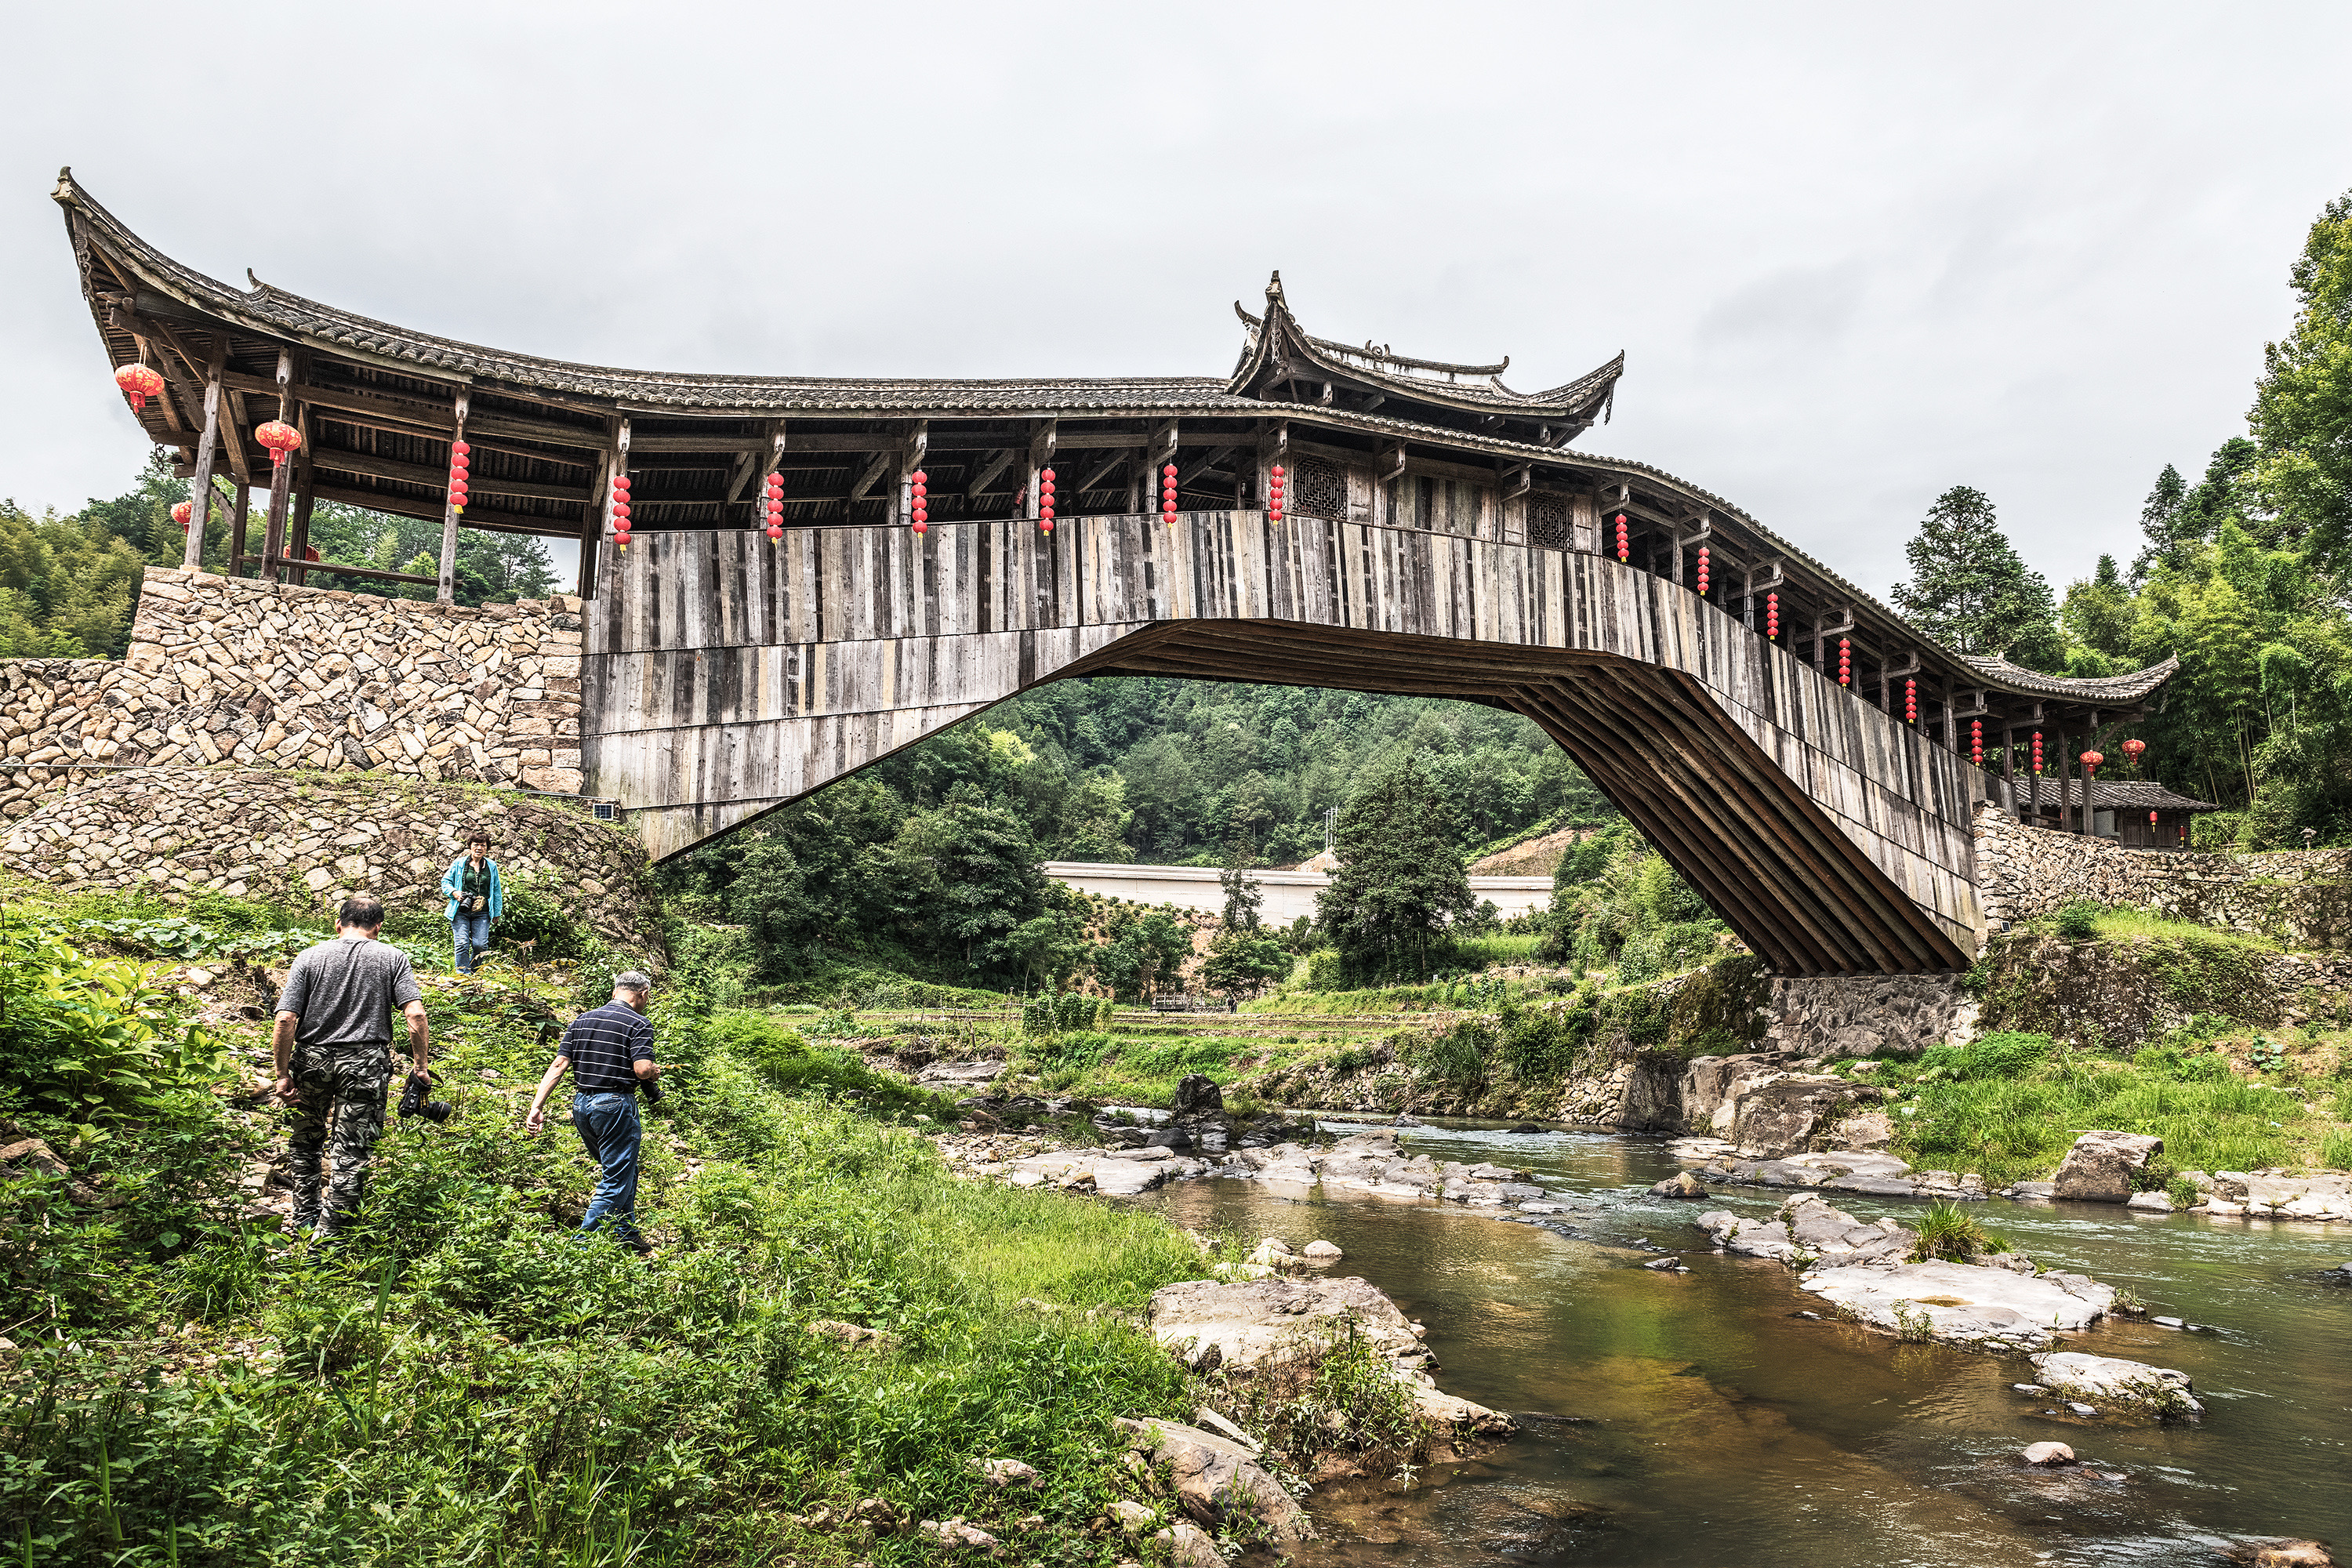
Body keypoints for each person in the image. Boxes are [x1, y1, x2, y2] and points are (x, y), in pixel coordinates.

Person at [272, 894, 430, 1241]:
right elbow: (415, 1014)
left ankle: (304, 1219)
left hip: (311, 1059)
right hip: (365, 1063)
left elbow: (286, 1019)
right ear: (377, 927)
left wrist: (283, 1074)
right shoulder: (392, 957)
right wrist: (420, 1065)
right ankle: (328, 1239)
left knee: (305, 1142)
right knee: (352, 1149)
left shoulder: (310, 956)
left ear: (338, 924)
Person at [524, 971, 660, 1254]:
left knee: (624, 1170)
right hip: (614, 1105)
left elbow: (559, 1065)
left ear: (614, 992)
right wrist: (653, 1072)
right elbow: (642, 1069)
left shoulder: (581, 1020)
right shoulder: (639, 1024)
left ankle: (624, 1232)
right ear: (643, 994)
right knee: (616, 1176)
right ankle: (579, 1248)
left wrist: (537, 1106)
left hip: (582, 1105)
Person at [439, 830, 504, 974]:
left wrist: (497, 912)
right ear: (470, 846)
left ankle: (475, 973)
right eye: (476, 844)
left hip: (483, 912)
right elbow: (446, 882)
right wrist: (454, 892)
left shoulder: (491, 866)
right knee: (462, 943)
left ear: (487, 848)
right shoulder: (459, 863)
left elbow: (496, 890)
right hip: (461, 910)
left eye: (483, 845)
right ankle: (463, 975)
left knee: (480, 945)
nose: (479, 848)